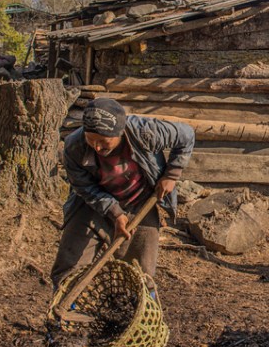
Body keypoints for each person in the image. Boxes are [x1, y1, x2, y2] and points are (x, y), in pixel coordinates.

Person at [51, 97, 195, 290]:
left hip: (140, 201)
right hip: (92, 204)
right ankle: (69, 312)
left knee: (140, 270)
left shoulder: (145, 131)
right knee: (71, 263)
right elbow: (84, 187)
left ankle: (139, 314)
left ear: (119, 132)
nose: (98, 147)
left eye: (104, 141)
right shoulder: (73, 146)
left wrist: (172, 174)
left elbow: (186, 135)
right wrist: (115, 213)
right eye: (91, 140)